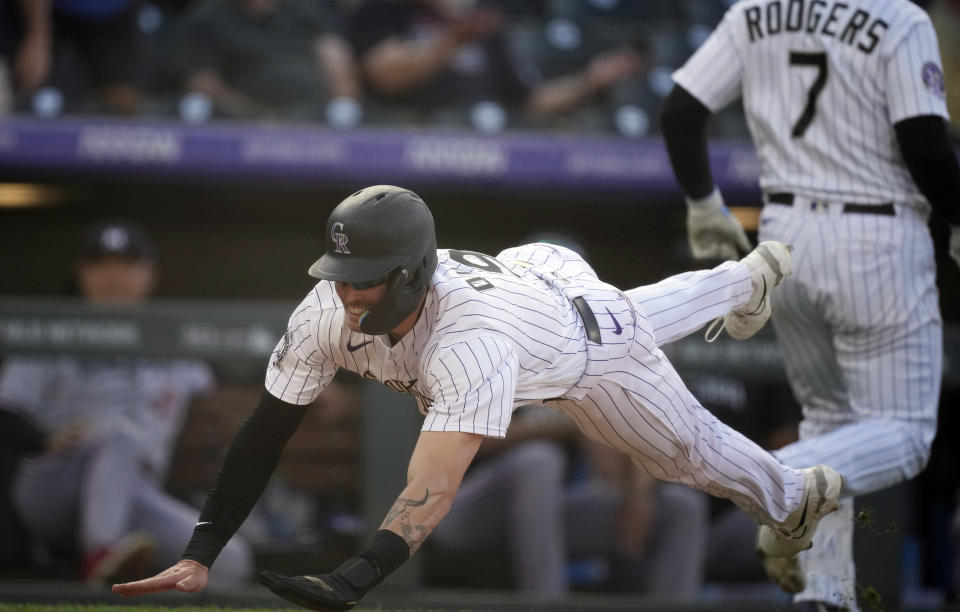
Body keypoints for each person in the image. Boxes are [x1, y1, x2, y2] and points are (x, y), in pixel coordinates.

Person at [111, 185, 841, 610]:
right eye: (339, 269)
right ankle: (745, 280)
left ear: (408, 275)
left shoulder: (470, 343)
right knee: (635, 305)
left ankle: (793, 498)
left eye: (362, 275)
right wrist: (203, 549)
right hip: (536, 273)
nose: (344, 289)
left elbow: (430, 489)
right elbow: (266, 430)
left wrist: (348, 582)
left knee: (689, 454)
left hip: (586, 351)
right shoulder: (327, 309)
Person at [659, 1, 960, 609]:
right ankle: (782, 482)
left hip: (785, 236)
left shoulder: (756, 9)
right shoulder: (899, 17)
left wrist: (703, 203)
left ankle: (824, 595)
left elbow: (681, 110)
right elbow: (924, 140)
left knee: (831, 419)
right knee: (905, 436)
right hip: (877, 234)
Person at [0, 219, 252, 584]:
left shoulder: (172, 347)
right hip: (56, 484)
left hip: (131, 495)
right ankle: (98, 556)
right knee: (119, 434)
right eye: (100, 264)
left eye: (126, 264)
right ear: (82, 273)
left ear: (150, 274)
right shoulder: (54, 332)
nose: (113, 276)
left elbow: (226, 392)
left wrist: (317, 386)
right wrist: (44, 440)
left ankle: (120, 574)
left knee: (228, 562)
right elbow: (5, 408)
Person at [426, 404, 709, 597]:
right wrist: (570, 426)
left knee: (679, 507)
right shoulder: (493, 340)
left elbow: (636, 436)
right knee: (540, 461)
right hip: (459, 510)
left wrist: (638, 490)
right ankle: (546, 602)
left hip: (543, 516)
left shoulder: (581, 359)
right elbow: (468, 436)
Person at [346, 0, 642, 125]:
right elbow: (384, 75)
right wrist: (450, 41)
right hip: (407, 135)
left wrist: (589, 81)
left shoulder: (481, 22)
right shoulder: (385, 9)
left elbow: (529, 101)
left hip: (485, 137)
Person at [179, 0, 360, 121]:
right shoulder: (209, 16)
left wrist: (342, 102)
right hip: (238, 116)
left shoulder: (304, 9)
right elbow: (203, 82)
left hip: (312, 114)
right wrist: (257, 116)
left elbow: (335, 54)